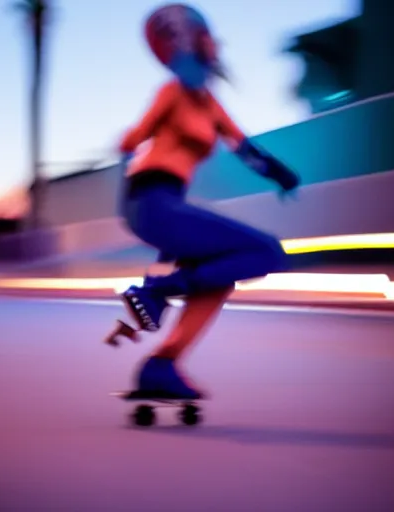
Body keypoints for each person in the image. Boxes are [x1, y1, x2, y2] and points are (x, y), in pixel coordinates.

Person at [117, 3, 300, 399]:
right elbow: (135, 139)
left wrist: (280, 174)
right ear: (192, 44)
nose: (218, 45)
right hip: (149, 199)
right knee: (267, 250)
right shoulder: (172, 92)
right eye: (210, 38)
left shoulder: (210, 104)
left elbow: (242, 146)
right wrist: (128, 141)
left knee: (220, 277)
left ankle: (161, 367)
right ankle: (158, 290)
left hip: (169, 203)